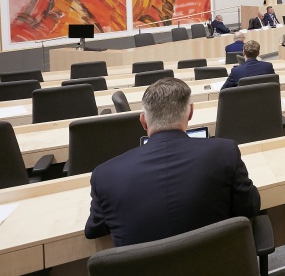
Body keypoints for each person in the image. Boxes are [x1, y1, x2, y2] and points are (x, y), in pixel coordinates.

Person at [84, 78, 261, 246]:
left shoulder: (105, 175)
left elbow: (94, 230)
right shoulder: (225, 152)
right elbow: (250, 206)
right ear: (190, 112)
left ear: (143, 121)